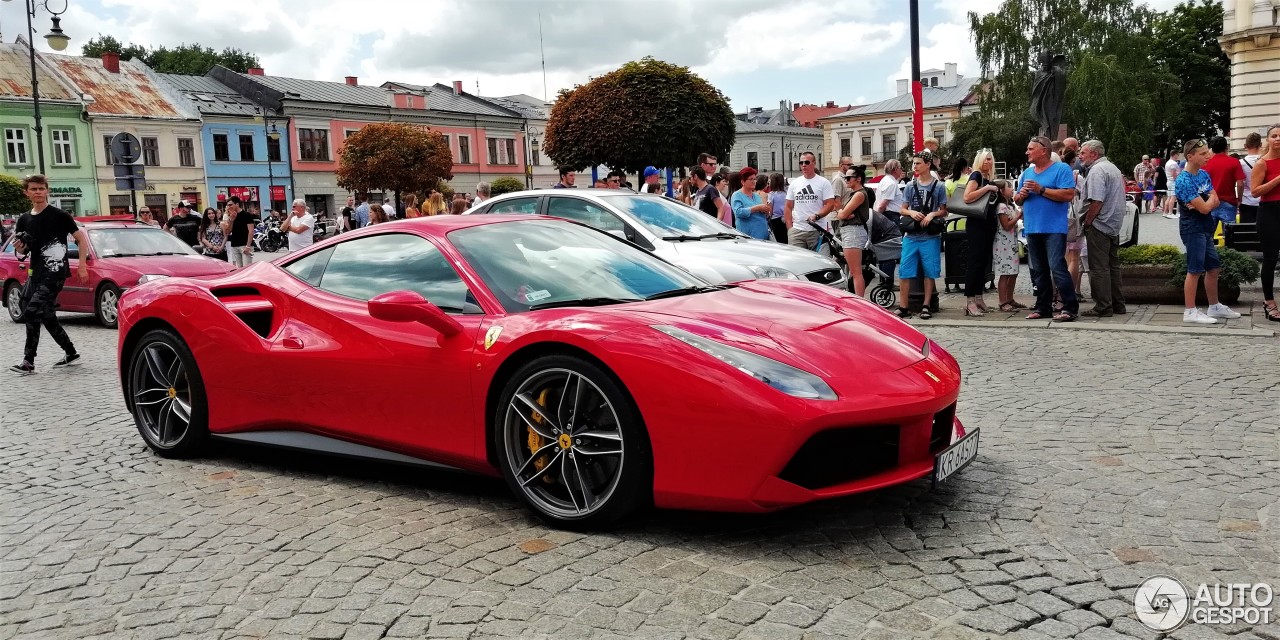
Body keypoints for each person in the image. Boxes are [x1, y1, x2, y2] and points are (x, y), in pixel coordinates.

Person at [10, 175, 86, 374]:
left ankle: (28, 361)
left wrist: (82, 266)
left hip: (55, 272)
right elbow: (24, 251)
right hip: (36, 272)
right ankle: (71, 352)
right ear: (27, 192)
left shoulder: (59, 215)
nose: (38, 192)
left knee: (32, 311)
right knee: (47, 315)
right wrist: (19, 247)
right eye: (33, 189)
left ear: (47, 191)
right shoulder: (24, 219)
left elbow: (81, 239)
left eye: (41, 189)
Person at [1173, 139, 1241, 324]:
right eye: (1202, 154)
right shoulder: (1184, 180)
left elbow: (1214, 199)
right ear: (1190, 156)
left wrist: (1206, 204)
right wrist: (1207, 204)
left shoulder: (1203, 174)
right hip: (1192, 228)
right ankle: (1190, 311)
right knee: (1194, 269)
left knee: (1213, 267)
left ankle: (1214, 306)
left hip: (1205, 226)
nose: (1207, 156)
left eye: (1207, 152)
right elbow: (1205, 206)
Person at [1016, 135, 1078, 322]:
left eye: (1030, 148)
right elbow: (1017, 199)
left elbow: (1068, 194)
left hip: (1053, 228)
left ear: (1044, 150)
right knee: (1038, 270)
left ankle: (1069, 307)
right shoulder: (1027, 173)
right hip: (1033, 227)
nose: (1027, 152)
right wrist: (1023, 195)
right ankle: (1043, 307)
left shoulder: (1061, 169)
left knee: (1057, 266)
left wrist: (1041, 189)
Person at [1077, 140, 1127, 317]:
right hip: (1113, 224)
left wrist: (1088, 221)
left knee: (1099, 268)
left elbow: (1097, 201)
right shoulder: (1112, 168)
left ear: (1094, 154)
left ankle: (1104, 306)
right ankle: (1117, 304)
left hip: (1100, 224)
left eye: (1083, 153)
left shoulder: (1097, 170)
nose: (1080, 156)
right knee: (1113, 266)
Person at [896, 153, 948, 319]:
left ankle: (926, 305)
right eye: (914, 164)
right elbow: (902, 209)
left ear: (928, 164)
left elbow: (944, 210)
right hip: (911, 236)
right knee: (905, 271)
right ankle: (903, 306)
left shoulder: (939, 186)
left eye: (918, 163)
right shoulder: (911, 186)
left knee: (929, 271)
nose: (915, 167)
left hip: (930, 236)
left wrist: (932, 214)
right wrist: (911, 212)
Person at [961, 150, 999, 316]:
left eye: (990, 159)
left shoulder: (987, 177)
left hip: (988, 223)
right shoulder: (976, 175)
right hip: (977, 223)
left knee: (983, 262)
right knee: (975, 261)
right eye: (985, 159)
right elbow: (967, 197)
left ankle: (978, 297)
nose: (988, 162)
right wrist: (988, 188)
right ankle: (970, 300)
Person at [1249, 123, 1280, 322]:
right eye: (1274, 136)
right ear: (1267, 140)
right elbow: (1254, 191)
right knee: (1270, 259)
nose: (1278, 139)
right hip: (1270, 212)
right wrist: (1278, 179)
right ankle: (1269, 302)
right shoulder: (1262, 163)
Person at [784, 151, 837, 251]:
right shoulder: (795, 183)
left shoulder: (823, 182)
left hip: (817, 230)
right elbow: (788, 206)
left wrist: (817, 216)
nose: (803, 165)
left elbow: (830, 204)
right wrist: (789, 228)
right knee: (797, 262)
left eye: (807, 162)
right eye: (801, 163)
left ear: (814, 163)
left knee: (819, 261)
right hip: (797, 230)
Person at [834, 166, 871, 297]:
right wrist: (842, 213)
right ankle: (858, 298)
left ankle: (860, 300)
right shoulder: (856, 193)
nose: (846, 180)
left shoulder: (859, 194)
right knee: (854, 271)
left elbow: (843, 214)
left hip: (853, 232)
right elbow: (843, 213)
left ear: (858, 179)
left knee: (856, 272)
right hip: (851, 232)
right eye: (845, 177)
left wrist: (841, 213)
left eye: (849, 178)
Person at [990, 181, 1024, 312]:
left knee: (1013, 272)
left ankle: (1010, 298)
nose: (1012, 190)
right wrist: (1019, 217)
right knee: (1004, 273)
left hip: (1011, 243)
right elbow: (1006, 225)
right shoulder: (1001, 207)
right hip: (1003, 244)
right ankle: (1002, 301)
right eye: (1009, 188)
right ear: (1002, 191)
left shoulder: (1010, 206)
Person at [1203, 136, 1246, 234]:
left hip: (1210, 201)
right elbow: (1240, 184)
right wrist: (1239, 198)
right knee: (1230, 236)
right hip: (1229, 201)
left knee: (1208, 235)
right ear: (1226, 147)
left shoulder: (1206, 164)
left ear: (1212, 148)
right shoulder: (1234, 162)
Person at [731, 166, 770, 240]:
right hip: (748, 235)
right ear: (743, 182)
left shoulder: (756, 196)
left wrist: (765, 211)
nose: (754, 181)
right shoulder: (737, 195)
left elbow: (763, 214)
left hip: (763, 234)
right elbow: (738, 212)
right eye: (751, 179)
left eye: (755, 179)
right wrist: (757, 208)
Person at [221, 196, 258, 268]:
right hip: (235, 245)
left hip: (245, 245)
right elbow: (228, 232)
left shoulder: (247, 215)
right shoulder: (231, 216)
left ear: (237, 204)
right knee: (239, 269)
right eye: (227, 205)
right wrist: (231, 220)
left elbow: (251, 231)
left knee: (246, 268)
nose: (229, 207)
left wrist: (248, 246)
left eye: (230, 204)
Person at [1239, 132, 1263, 224]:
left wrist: (1239, 199)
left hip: (1246, 201)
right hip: (1263, 200)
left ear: (1245, 146)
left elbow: (1240, 184)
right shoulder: (1265, 161)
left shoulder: (1241, 163)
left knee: (1246, 231)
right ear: (1260, 145)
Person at [767, 173, 788, 243]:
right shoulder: (786, 193)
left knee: (778, 240)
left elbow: (770, 211)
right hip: (786, 218)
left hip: (775, 220)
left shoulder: (771, 194)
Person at [1162, 151, 1183, 217]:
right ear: (1174, 155)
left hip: (1169, 181)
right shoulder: (1173, 163)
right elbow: (1174, 174)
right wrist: (1178, 181)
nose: (1178, 156)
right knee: (1173, 197)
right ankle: (1170, 213)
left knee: (1169, 197)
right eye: (1177, 155)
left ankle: (1165, 212)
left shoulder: (1168, 162)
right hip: (1173, 182)